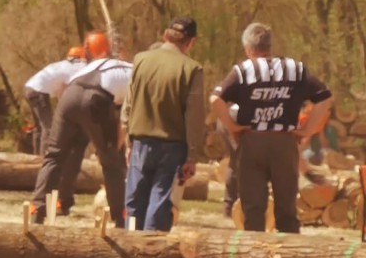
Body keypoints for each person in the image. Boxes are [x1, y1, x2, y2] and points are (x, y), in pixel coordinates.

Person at [210, 22, 333, 233]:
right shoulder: (295, 68)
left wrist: (232, 127)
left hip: (252, 141)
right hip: (284, 142)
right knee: (287, 210)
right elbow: (324, 98)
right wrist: (307, 130)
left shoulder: (243, 70)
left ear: (248, 49)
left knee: (253, 210)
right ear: (270, 46)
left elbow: (215, 99)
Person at [30, 31, 132, 226]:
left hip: (70, 97)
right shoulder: (132, 70)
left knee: (54, 155)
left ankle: (38, 207)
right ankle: (120, 217)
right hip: (96, 98)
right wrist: (119, 144)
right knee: (112, 162)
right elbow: (127, 113)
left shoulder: (90, 66)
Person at [121, 16, 206, 232]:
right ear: (191, 42)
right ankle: (151, 255)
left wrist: (128, 139)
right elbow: (194, 116)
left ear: (165, 35)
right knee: (159, 206)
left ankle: (130, 251)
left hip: (140, 142)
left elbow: (128, 103)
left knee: (134, 203)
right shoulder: (192, 69)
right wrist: (192, 155)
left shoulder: (140, 59)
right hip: (172, 147)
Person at [23, 45, 87, 155]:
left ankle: (35, 156)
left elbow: (61, 90)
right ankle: (43, 159)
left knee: (39, 127)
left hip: (29, 87)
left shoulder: (61, 65)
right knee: (49, 128)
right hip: (39, 90)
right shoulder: (81, 67)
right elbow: (65, 89)